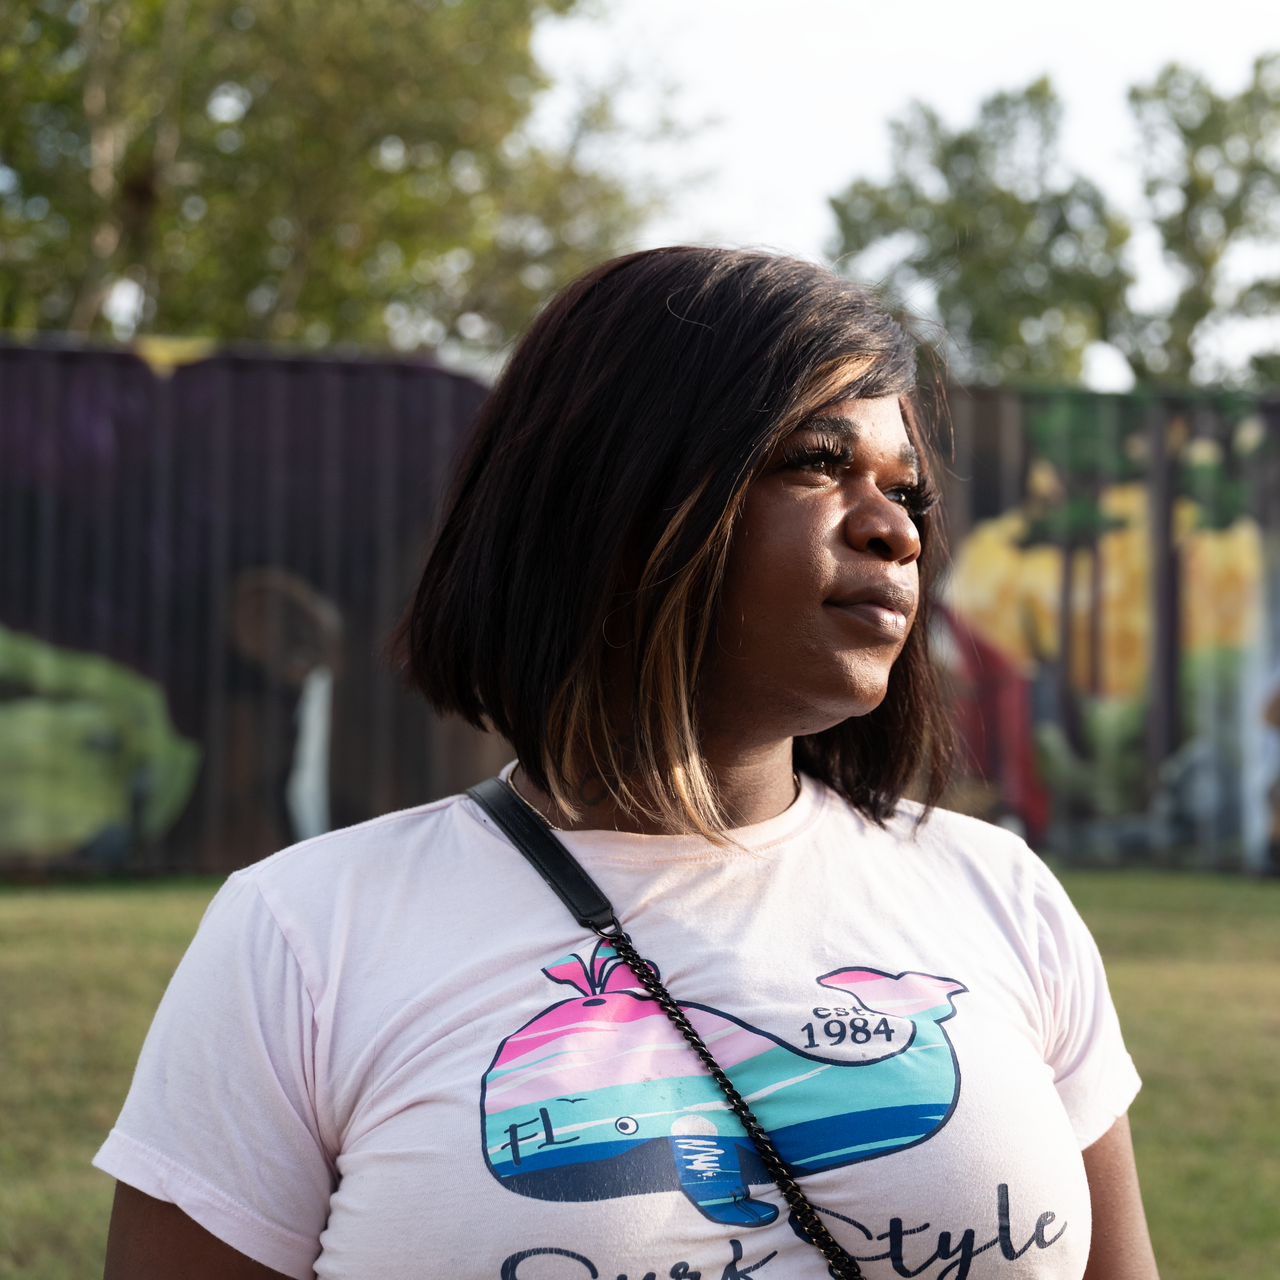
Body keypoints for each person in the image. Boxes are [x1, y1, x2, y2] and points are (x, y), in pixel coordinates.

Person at [98, 247, 1159, 1280]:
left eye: (905, 491)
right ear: (619, 497)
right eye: (818, 462)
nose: (894, 529)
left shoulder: (996, 893)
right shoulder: (302, 939)